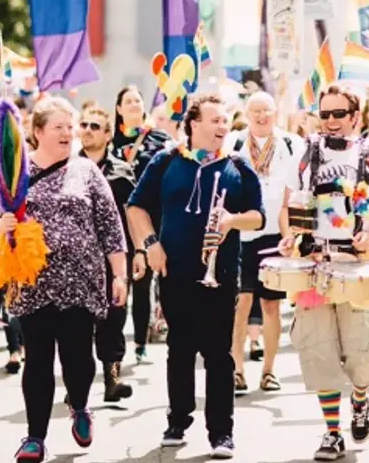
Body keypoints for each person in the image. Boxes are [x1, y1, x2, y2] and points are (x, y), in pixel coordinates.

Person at [0, 97, 129, 463]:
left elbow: (111, 227)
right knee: (37, 359)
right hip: (33, 282)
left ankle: (79, 406)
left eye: (72, 126)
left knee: (78, 358)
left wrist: (120, 275)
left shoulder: (87, 171)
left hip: (81, 281)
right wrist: (1, 226)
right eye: (59, 127)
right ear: (37, 132)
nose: (69, 133)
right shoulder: (15, 173)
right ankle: (34, 437)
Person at [127, 93, 264, 459]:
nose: (223, 127)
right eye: (216, 120)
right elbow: (136, 207)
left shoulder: (238, 165)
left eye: (225, 121)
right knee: (180, 348)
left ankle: (222, 432)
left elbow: (259, 216)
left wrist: (233, 220)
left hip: (220, 274)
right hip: (175, 272)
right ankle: (178, 419)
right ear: (194, 124)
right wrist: (150, 243)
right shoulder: (166, 160)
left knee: (219, 353)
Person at [275, 84, 369, 461]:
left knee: (361, 353)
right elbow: (287, 208)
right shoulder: (302, 152)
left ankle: (360, 398)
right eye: (323, 114)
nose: (329, 122)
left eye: (337, 114)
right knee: (319, 351)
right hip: (313, 263)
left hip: (359, 265)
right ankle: (332, 432)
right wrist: (289, 236)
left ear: (355, 117)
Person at [227, 92, 298, 395]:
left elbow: (295, 191)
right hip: (240, 232)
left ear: (275, 113)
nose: (260, 116)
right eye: (255, 110)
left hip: (274, 233)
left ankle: (269, 370)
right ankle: (237, 368)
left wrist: (291, 233)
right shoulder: (233, 142)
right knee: (241, 303)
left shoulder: (291, 143)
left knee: (271, 304)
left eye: (266, 110)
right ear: (247, 112)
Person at [78, 105, 137, 404]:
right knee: (77, 324)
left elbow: (134, 216)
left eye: (95, 126)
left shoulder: (122, 173)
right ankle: (79, 386)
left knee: (113, 320)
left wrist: (138, 251)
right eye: (84, 124)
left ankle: (112, 381)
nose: (87, 130)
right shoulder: (65, 168)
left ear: (108, 134)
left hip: (113, 258)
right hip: (75, 261)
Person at [112, 85, 173, 364]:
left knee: (149, 278)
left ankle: (141, 340)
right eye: (128, 101)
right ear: (119, 109)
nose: (134, 104)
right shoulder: (110, 142)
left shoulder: (160, 140)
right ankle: (117, 341)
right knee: (127, 279)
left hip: (152, 217)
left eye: (138, 100)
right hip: (118, 218)